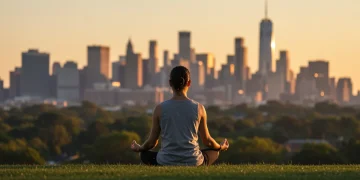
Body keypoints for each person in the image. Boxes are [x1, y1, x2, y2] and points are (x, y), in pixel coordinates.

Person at [130, 66, 229, 166]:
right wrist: (221, 147)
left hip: (165, 161)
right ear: (189, 83)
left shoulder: (160, 108)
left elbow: (152, 143)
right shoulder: (199, 108)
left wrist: (140, 148)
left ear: (170, 83)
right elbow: (207, 141)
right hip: (193, 161)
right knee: (215, 152)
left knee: (144, 154)